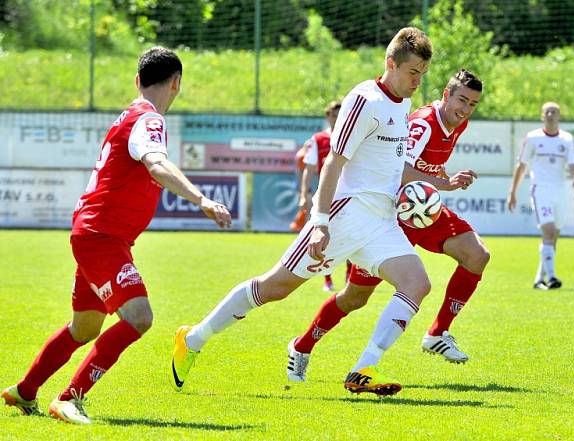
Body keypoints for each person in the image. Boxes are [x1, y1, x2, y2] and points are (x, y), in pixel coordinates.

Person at [170, 27, 434, 397]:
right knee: (275, 287)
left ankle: (364, 368)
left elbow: (386, 163)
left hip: (380, 221)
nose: (417, 83)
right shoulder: (364, 100)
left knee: (417, 283)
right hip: (344, 216)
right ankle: (193, 338)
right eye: (412, 74)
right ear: (391, 63)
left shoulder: (402, 104)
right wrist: (321, 222)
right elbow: (333, 163)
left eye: (422, 75)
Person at [1, 47, 232, 424]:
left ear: (137, 79)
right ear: (176, 83)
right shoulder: (149, 119)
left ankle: (24, 392)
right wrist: (202, 198)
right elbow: (156, 163)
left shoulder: (130, 115)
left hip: (98, 234)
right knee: (139, 317)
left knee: (85, 327)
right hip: (102, 236)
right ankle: (69, 398)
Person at [285, 69, 486, 382]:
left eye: (472, 104)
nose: (465, 109)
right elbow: (401, 171)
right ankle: (302, 346)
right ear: (446, 95)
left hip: (422, 211)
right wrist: (444, 185)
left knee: (477, 255)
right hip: (390, 218)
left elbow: (427, 166)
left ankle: (437, 333)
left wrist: (444, 180)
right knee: (355, 297)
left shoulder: (459, 123)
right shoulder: (422, 123)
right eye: (461, 99)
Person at [507, 102, 574, 290]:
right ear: (542, 116)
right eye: (547, 112)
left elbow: (572, 164)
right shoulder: (532, 138)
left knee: (554, 236)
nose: (550, 115)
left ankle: (539, 279)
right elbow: (522, 165)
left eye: (554, 112)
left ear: (559, 116)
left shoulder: (566, 139)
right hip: (540, 190)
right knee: (548, 231)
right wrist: (512, 192)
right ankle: (552, 277)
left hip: (560, 191)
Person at [298, 100, 342, 292]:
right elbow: (308, 169)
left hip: (347, 196)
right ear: (328, 117)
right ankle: (328, 279)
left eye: (340, 115)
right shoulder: (318, 140)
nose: (337, 118)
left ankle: (349, 279)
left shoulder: (350, 137)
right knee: (323, 238)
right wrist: (303, 194)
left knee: (351, 234)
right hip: (325, 197)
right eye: (333, 115)